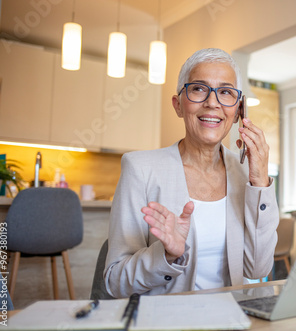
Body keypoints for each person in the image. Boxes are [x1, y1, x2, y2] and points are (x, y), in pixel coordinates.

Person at [104, 48, 279, 298]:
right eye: (199, 89)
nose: (212, 102)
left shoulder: (247, 175)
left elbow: (258, 267)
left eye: (226, 92)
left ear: (239, 111)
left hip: (231, 319)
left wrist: (261, 182)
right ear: (178, 105)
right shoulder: (140, 169)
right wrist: (166, 256)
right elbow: (115, 281)